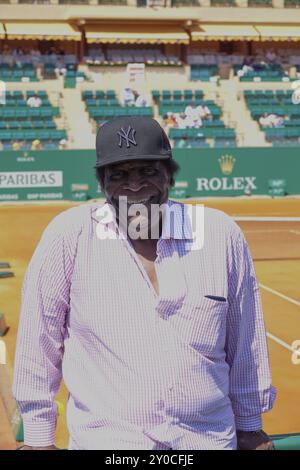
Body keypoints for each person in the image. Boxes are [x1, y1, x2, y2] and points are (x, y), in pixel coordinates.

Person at [13, 116, 276, 451]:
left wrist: (250, 426)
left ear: (169, 174)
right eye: (119, 175)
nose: (134, 186)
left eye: (147, 171)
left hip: (206, 441)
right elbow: (40, 339)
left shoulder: (220, 235)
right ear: (101, 182)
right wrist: (37, 438)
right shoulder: (69, 236)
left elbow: (246, 340)